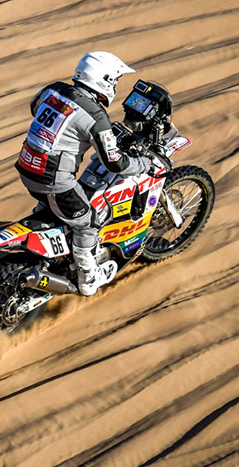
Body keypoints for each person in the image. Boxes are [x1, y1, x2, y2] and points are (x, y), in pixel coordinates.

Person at [15, 51, 151, 296]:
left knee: (59, 207)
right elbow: (114, 163)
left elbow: (35, 108)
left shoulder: (53, 90)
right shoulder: (96, 117)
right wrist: (142, 165)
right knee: (88, 222)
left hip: (26, 167)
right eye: (115, 80)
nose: (116, 86)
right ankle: (88, 278)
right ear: (105, 80)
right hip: (53, 182)